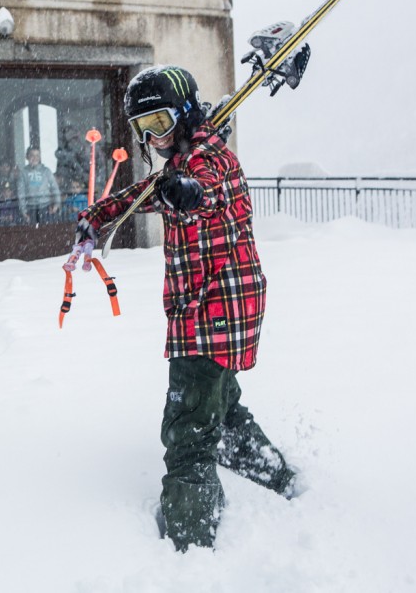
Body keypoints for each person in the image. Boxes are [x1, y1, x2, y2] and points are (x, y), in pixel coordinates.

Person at [73, 65, 299, 552]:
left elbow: (207, 192)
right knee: (221, 405)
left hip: (210, 315)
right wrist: (96, 218)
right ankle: (276, 475)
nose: (152, 138)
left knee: (188, 430)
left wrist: (187, 193)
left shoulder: (207, 161)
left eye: (159, 124)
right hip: (219, 312)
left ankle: (189, 540)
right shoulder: (181, 163)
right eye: (142, 129)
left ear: (186, 113)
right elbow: (144, 194)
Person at [16, 146, 61, 224]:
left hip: (46, 206)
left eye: (37, 155)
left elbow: (55, 188)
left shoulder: (46, 171)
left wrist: (56, 204)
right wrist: (23, 210)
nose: (35, 158)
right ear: (27, 157)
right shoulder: (23, 173)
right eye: (32, 155)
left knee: (47, 230)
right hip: (30, 207)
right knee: (33, 232)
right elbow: (21, 192)